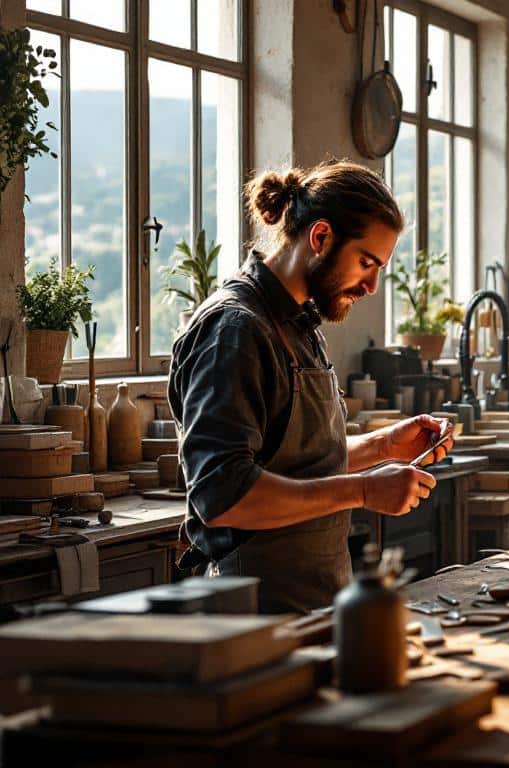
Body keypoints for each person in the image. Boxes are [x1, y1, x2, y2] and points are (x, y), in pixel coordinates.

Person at [169, 161, 452, 614]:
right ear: (320, 238)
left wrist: (381, 447)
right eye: (366, 263)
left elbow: (293, 461)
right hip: (253, 614)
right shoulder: (236, 329)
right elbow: (223, 496)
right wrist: (362, 490)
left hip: (314, 604)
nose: (373, 286)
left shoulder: (300, 324)